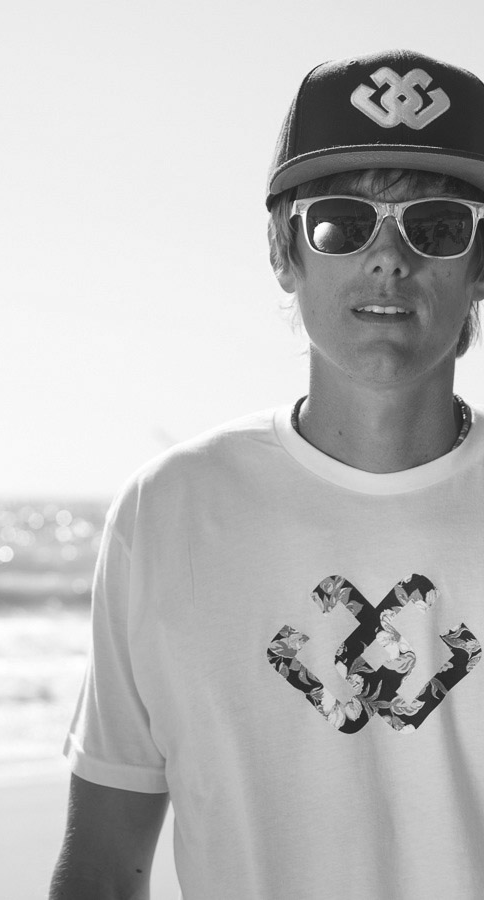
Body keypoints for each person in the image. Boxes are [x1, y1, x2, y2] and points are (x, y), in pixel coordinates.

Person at [49, 49, 484, 899]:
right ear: (285, 253)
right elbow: (101, 867)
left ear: (481, 265)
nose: (388, 259)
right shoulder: (169, 513)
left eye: (436, 226)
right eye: (341, 223)